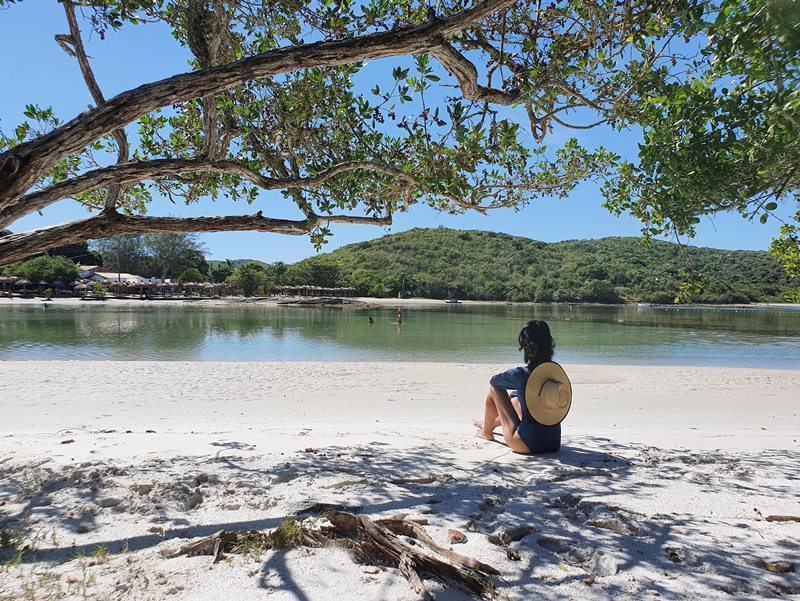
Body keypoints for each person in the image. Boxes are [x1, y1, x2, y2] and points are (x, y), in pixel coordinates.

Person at [474, 320, 571, 454]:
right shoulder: (555, 373)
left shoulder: (523, 374)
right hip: (553, 443)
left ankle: (486, 431)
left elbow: (494, 381)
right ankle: (488, 422)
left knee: (495, 389)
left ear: (526, 345)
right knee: (516, 399)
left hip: (526, 444)